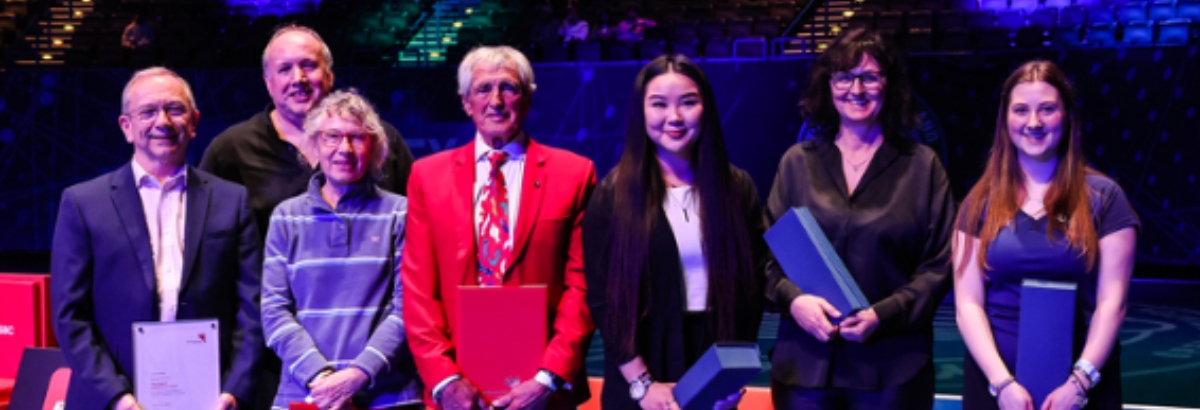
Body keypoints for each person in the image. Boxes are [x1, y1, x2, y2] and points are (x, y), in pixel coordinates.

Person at [764, 27, 955, 409]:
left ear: (890, 85)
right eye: (844, 77)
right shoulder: (797, 163)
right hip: (805, 370)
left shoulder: (923, 167)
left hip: (893, 370)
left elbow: (940, 266)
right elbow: (766, 259)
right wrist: (795, 302)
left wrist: (883, 315)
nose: (856, 89)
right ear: (828, 85)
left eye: (870, 76)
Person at [50, 67, 263, 410]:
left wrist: (234, 390)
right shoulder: (82, 203)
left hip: (210, 400)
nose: (162, 121)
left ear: (194, 122)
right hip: (113, 401)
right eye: (147, 112)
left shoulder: (231, 200)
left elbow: (252, 308)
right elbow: (70, 315)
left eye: (174, 109)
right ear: (126, 127)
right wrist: (117, 397)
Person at [401, 45, 595, 410]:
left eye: (509, 87)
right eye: (483, 89)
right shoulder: (428, 176)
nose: (496, 101)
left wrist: (547, 378)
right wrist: (445, 379)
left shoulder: (574, 174)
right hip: (457, 391)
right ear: (465, 102)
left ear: (528, 99)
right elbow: (418, 290)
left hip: (544, 393)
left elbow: (581, 286)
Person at [582, 54, 768, 410]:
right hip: (642, 369)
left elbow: (753, 289)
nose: (675, 117)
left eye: (688, 102)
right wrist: (641, 383)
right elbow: (603, 300)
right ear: (641, 112)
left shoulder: (736, 187)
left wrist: (732, 375)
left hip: (714, 359)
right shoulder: (613, 195)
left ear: (706, 109)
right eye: (659, 104)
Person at [954, 60, 1138, 410]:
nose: (1033, 122)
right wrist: (1002, 383)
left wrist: (1080, 383)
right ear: (1005, 120)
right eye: (1021, 110)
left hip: (1080, 391)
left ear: (1067, 116)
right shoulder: (978, 202)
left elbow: (1112, 304)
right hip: (995, 385)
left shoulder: (1104, 197)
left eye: (1047, 109)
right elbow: (967, 304)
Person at [261, 89, 422, 409]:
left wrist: (358, 375)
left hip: (389, 398)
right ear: (314, 144)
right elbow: (273, 311)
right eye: (332, 136)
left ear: (375, 148)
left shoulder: (402, 213)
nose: (344, 149)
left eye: (357, 138)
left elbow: (408, 310)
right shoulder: (286, 216)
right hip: (306, 395)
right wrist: (322, 379)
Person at [200, 25, 415, 239]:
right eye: (284, 69)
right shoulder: (230, 150)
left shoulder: (379, 139)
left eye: (309, 65)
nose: (298, 79)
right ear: (268, 82)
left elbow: (417, 221)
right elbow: (207, 238)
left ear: (330, 76)